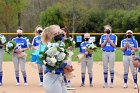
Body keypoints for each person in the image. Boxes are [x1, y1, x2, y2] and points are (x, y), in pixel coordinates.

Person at [42, 25, 73, 93]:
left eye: (59, 32)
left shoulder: (60, 45)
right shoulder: (49, 48)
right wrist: (65, 66)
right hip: (51, 79)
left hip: (60, 78)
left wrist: (67, 67)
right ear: (51, 37)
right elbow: (52, 64)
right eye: (55, 34)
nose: (59, 35)